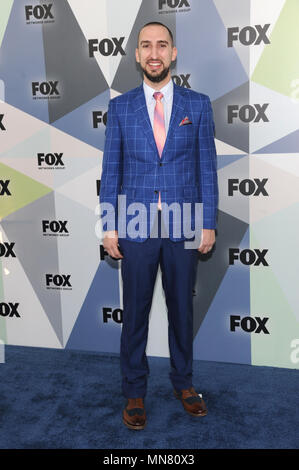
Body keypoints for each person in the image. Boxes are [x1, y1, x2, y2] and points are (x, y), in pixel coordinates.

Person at [99, 22, 218, 430]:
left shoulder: (198, 104)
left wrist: (208, 222)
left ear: (174, 53)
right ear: (136, 55)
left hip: (184, 223)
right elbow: (111, 169)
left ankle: (183, 383)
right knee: (135, 313)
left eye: (161, 45)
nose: (154, 53)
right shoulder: (120, 107)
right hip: (134, 226)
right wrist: (109, 225)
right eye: (146, 45)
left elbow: (207, 168)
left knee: (181, 310)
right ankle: (134, 391)